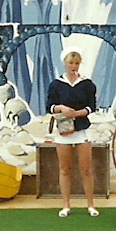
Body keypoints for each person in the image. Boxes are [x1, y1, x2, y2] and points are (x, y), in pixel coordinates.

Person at [46, 49, 99, 218]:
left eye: (76, 63)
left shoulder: (87, 84)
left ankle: (90, 204)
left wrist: (77, 113)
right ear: (65, 63)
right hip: (63, 130)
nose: (73, 66)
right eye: (71, 63)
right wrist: (61, 108)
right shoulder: (56, 84)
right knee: (65, 169)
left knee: (86, 169)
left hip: (82, 129)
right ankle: (66, 205)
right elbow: (49, 106)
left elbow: (92, 107)